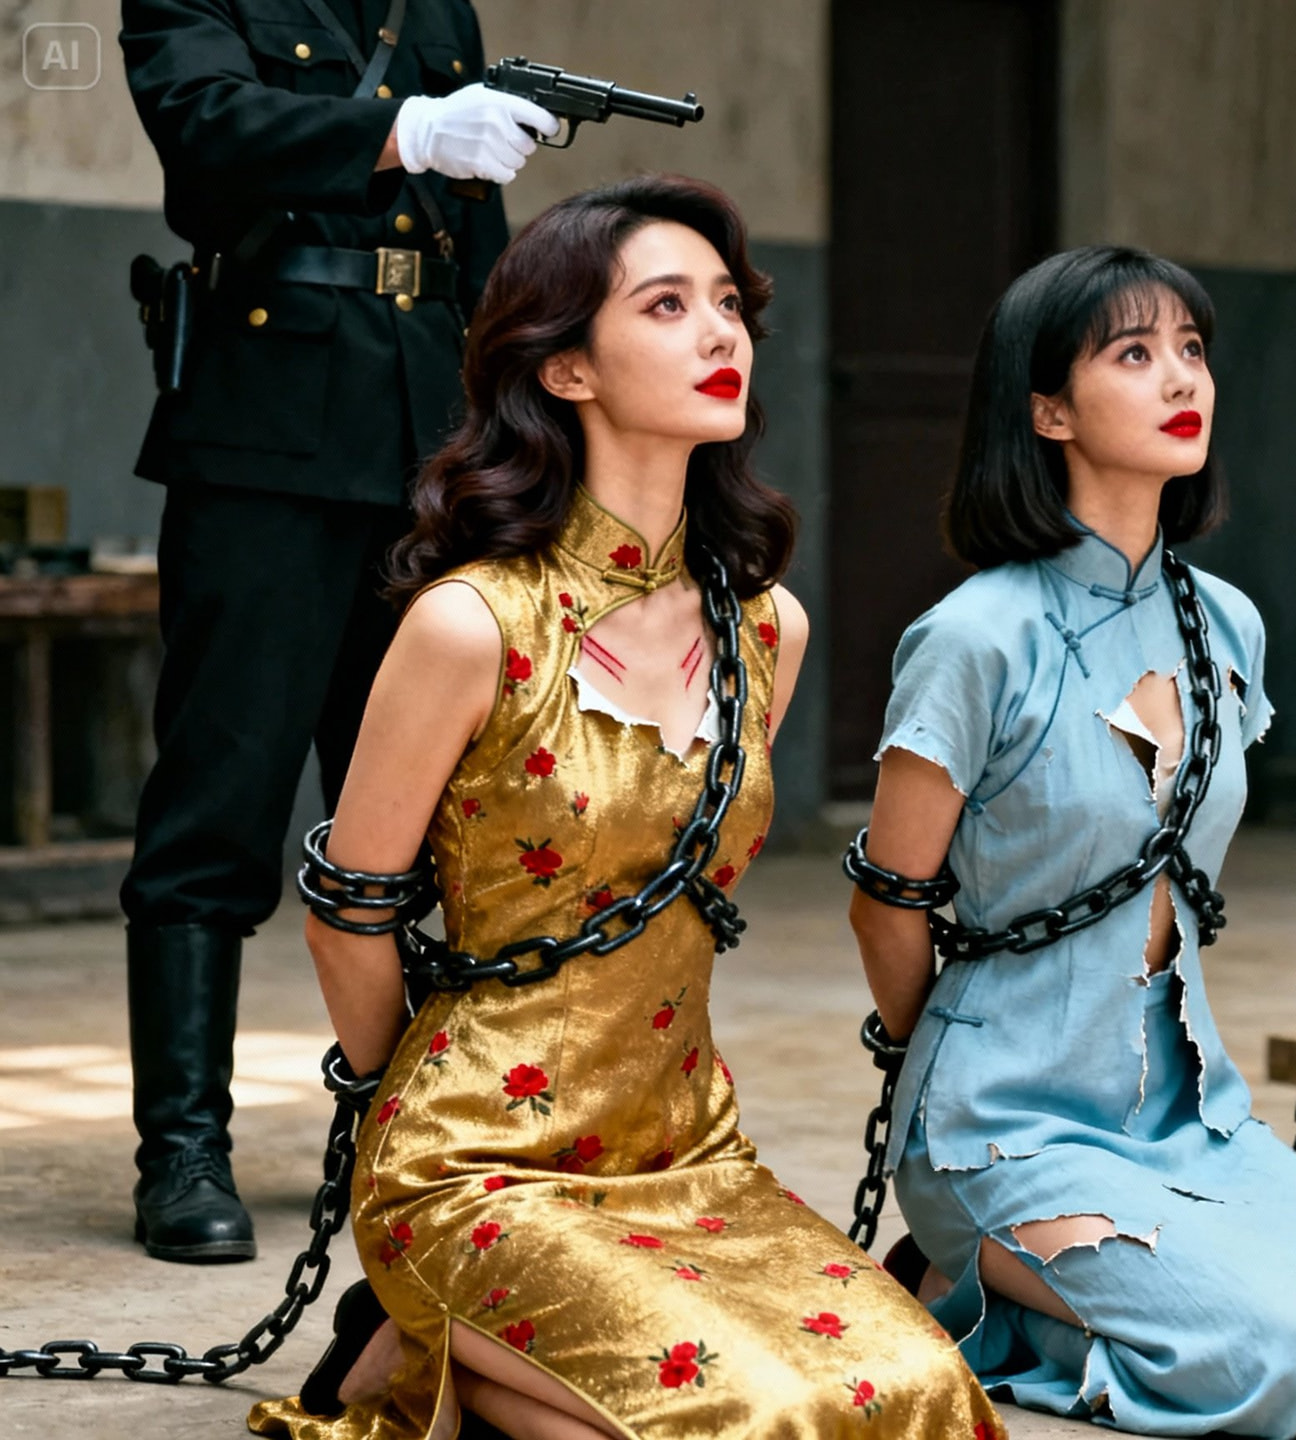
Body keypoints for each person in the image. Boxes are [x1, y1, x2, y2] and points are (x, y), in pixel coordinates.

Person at [247, 174, 1002, 1440]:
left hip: (683, 1150)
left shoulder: (767, 627)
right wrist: (395, 1130)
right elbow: (346, 916)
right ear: (566, 370)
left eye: (729, 304)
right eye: (666, 305)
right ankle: (428, 1322)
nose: (719, 332)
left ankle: (428, 1364)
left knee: (920, 1393)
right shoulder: (470, 624)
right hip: (472, 1158)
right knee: (755, 1415)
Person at [847, 245, 1296, 1437]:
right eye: (1133, 354)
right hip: (1001, 1125)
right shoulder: (974, 638)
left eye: (1191, 349)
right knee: (1268, 1356)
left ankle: (1005, 1295)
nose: (1182, 377)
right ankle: (962, 1279)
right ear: (1049, 411)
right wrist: (961, 1062)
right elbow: (887, 901)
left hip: (1183, 1110)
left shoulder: (1226, 621)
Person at [117, 0, 559, 1262]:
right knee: (219, 793)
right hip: (264, 436)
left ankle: (400, 1127)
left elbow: (477, 246)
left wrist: (517, 437)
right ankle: (183, 1149)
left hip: (427, 443)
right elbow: (205, 126)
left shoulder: (434, 3)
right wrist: (407, 128)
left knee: (419, 815)